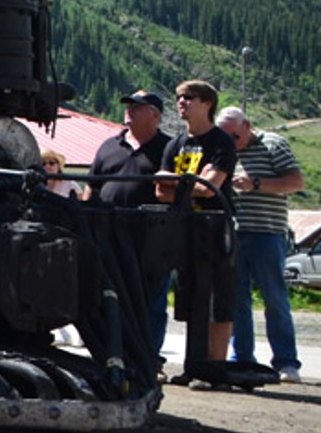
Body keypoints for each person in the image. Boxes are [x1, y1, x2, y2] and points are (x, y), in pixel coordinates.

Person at [85, 89, 173, 356]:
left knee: (151, 299)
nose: (129, 110)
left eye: (137, 106)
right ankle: (112, 354)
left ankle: (149, 357)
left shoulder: (168, 148)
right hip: (108, 231)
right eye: (128, 105)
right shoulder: (109, 146)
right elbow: (92, 186)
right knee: (110, 294)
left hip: (151, 235)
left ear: (154, 115)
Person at [219, 106, 305, 381]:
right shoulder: (224, 149)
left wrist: (255, 183)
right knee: (237, 300)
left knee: (275, 298)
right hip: (234, 233)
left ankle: (286, 362)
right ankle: (242, 358)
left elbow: (296, 182)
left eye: (235, 136)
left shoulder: (273, 144)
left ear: (247, 126)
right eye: (226, 137)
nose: (232, 142)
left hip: (267, 232)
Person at [155, 79, 237, 364]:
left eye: (189, 97)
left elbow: (209, 188)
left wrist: (175, 182)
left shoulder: (221, 142)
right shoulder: (175, 144)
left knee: (217, 299)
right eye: (179, 97)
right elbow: (160, 192)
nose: (181, 102)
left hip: (215, 228)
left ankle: (215, 366)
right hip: (184, 228)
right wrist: (189, 184)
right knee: (190, 298)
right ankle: (194, 363)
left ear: (207, 104)